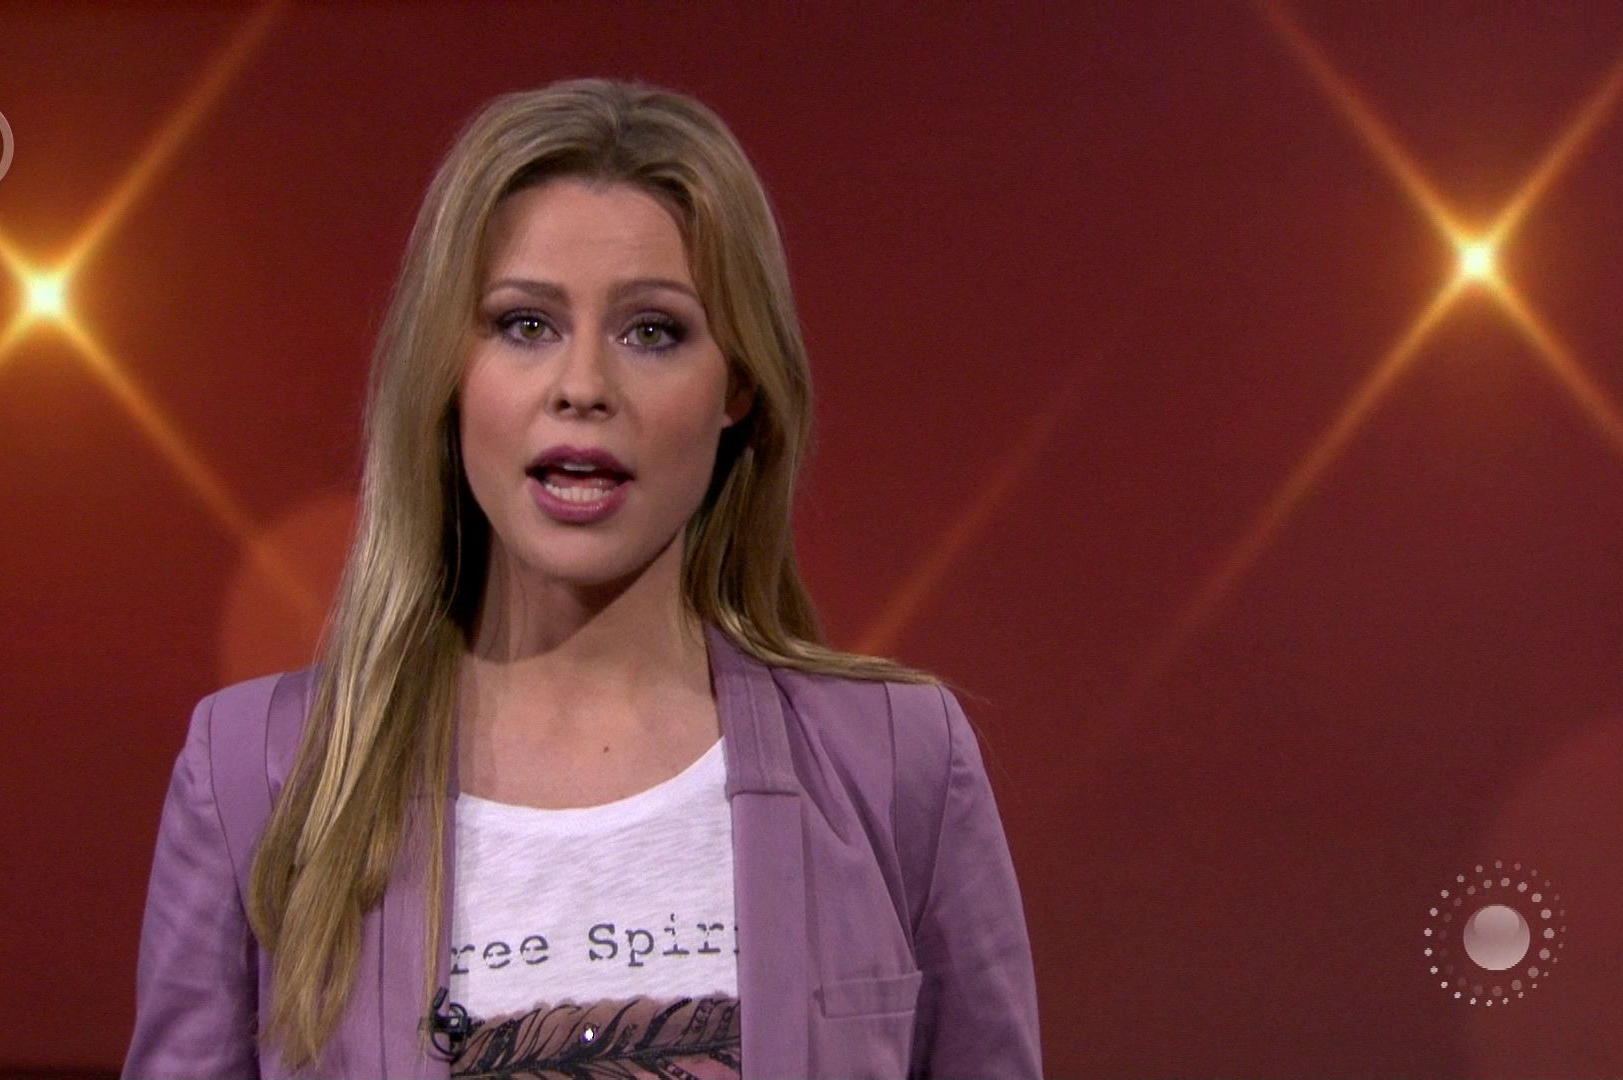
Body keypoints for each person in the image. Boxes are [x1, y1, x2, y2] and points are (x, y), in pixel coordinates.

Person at [122, 76, 1042, 1079]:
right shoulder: (257, 777)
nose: (584, 387)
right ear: (447, 370)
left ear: (738, 383)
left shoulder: (900, 767)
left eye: (653, 331)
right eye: (526, 324)